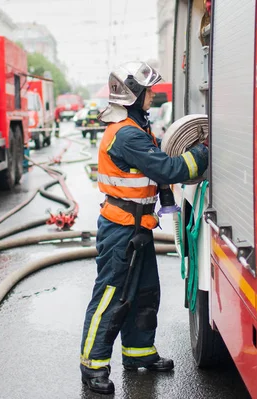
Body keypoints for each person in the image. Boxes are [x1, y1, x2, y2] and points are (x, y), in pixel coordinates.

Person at [79, 61, 209, 395]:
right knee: (111, 296)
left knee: (144, 292)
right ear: (133, 95)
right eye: (148, 90)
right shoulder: (125, 134)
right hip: (121, 228)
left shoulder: (137, 127)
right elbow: (169, 168)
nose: (153, 95)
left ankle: (139, 352)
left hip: (137, 226)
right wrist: (203, 151)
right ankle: (93, 365)